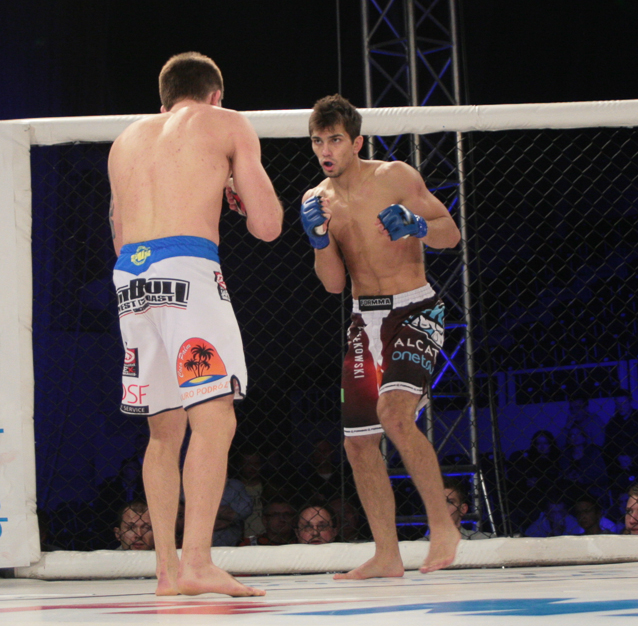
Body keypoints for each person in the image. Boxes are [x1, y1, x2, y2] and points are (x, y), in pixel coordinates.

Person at [108, 52, 282, 596]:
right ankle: (199, 563)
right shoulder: (226, 122)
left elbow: (119, 231)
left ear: (163, 99)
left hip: (131, 276)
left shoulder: (125, 140)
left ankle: (167, 571)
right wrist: (237, 193)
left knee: (163, 431)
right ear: (215, 95)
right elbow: (268, 225)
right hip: (188, 268)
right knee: (214, 421)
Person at [300, 94, 461, 579]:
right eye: (317, 141)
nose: (326, 150)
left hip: (415, 308)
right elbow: (333, 284)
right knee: (357, 444)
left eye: (334, 140)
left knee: (394, 414)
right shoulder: (316, 200)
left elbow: (450, 233)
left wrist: (416, 225)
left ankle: (442, 527)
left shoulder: (394, 176)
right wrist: (319, 240)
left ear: (356, 142)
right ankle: (387, 554)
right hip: (363, 320)